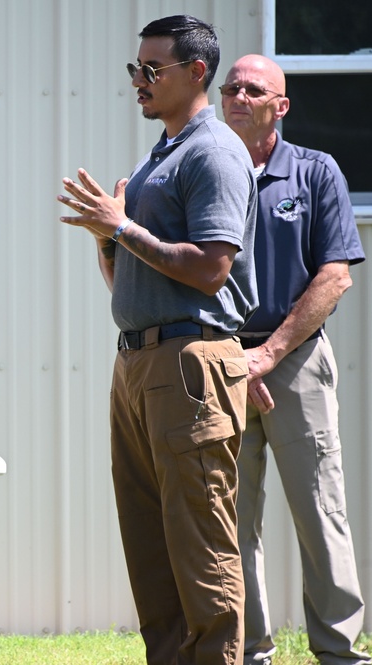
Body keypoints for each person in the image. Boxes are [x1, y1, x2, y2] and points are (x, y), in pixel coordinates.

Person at [57, 15, 258, 665]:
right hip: (140, 362)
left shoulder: (213, 151)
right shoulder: (160, 157)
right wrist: (106, 241)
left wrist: (122, 225)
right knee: (150, 551)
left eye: (153, 70)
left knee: (200, 550)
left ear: (196, 72)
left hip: (190, 364)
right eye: (133, 69)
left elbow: (208, 268)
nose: (138, 81)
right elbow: (133, 278)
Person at [220, 54, 370, 665]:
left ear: (279, 106)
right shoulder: (203, 168)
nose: (236, 96)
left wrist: (269, 353)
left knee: (320, 512)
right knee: (231, 521)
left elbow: (335, 275)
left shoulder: (314, 172)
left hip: (295, 361)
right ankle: (251, 652)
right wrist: (235, 359)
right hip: (220, 361)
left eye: (252, 89)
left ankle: (339, 654)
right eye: (230, 86)